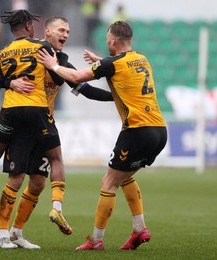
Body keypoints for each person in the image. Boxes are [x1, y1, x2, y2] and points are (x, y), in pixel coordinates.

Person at [37, 20, 167, 250]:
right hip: (159, 131)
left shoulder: (111, 64)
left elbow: (77, 79)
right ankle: (139, 229)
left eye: (108, 37)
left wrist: (53, 66)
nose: (106, 40)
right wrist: (101, 62)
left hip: (137, 130)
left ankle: (96, 241)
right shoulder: (142, 59)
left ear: (113, 40)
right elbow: (121, 70)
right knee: (124, 177)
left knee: (108, 183)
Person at [0, 16, 115, 250]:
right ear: (47, 32)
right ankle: (1, 234)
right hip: (21, 124)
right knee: (16, 178)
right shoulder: (31, 51)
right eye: (61, 30)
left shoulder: (60, 62)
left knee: (38, 182)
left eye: (68, 31)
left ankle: (16, 232)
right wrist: (11, 83)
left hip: (43, 123)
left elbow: (86, 90)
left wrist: (117, 97)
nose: (66, 34)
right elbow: (0, 75)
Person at [0, 9, 70, 249]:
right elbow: (62, 78)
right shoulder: (44, 47)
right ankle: (57, 207)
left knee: (3, 162)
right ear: (30, 26)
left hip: (9, 112)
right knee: (56, 160)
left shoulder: (2, 53)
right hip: (38, 112)